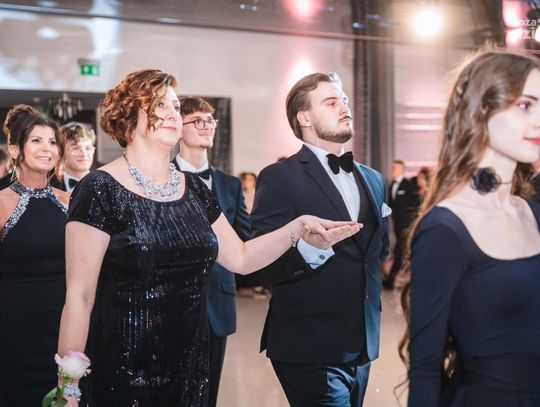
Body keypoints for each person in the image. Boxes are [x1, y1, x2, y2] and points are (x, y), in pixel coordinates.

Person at [56, 69, 360, 406]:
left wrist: (296, 228)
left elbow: (241, 257)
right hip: (122, 364)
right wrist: (68, 386)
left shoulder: (195, 190)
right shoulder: (99, 189)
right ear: (128, 117)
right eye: (159, 105)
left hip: (189, 362)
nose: (173, 114)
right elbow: (80, 296)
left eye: (175, 107)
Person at [401, 49, 540, 406]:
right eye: (525, 105)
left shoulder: (533, 212)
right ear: (481, 110)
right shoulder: (445, 229)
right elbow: (425, 369)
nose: (539, 119)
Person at [250, 72, 389, 406]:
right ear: (305, 118)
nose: (345, 108)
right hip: (308, 343)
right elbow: (260, 266)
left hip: (362, 342)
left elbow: (376, 251)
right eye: (331, 102)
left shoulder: (373, 178)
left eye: (345, 100)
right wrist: (311, 249)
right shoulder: (279, 177)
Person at [172, 96, 251, 407]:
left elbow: (245, 238)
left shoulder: (230, 184)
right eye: (198, 121)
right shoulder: (161, 177)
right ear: (179, 128)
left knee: (210, 392)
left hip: (217, 299)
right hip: (171, 299)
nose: (207, 127)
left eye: (210, 121)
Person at [0, 105, 69, 405]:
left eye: (53, 142)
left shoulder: (71, 201)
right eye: (36, 140)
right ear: (15, 150)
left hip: (65, 324)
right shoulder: (2, 202)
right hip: (14, 326)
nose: (47, 148)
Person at [383, 159, 417, 289]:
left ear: (402, 170)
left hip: (406, 227)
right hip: (397, 227)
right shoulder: (392, 185)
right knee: (400, 252)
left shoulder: (408, 185)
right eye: (392, 168)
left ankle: (391, 280)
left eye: (395, 168)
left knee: (400, 251)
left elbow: (416, 204)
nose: (392, 170)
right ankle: (393, 280)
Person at [51, 122, 96, 192]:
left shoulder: (105, 185)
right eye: (76, 148)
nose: (84, 154)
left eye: (88, 148)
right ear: (60, 152)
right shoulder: (48, 186)